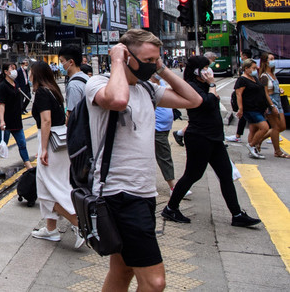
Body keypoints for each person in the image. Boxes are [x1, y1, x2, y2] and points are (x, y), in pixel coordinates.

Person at [85, 29, 202, 292]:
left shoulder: (149, 89)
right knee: (155, 282)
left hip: (144, 192)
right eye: (147, 60)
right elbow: (117, 100)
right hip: (120, 194)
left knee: (122, 269)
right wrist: (116, 60)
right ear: (127, 57)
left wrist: (161, 69)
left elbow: (193, 100)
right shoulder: (98, 84)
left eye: (155, 60)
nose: (152, 65)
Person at [162, 56, 261, 228]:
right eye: (205, 68)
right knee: (193, 174)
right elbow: (207, 103)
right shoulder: (191, 86)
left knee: (226, 174)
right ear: (196, 71)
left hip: (214, 137)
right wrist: (213, 85)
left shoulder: (205, 85)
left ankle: (237, 214)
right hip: (199, 137)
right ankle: (170, 208)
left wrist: (210, 85)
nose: (209, 71)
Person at [30, 61, 84, 248]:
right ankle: (51, 229)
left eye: (30, 72)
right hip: (60, 141)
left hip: (51, 143)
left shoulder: (42, 93)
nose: (28, 75)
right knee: (48, 186)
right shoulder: (54, 90)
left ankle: (79, 224)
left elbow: (46, 121)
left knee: (49, 190)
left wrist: (43, 149)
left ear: (37, 74)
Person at [0, 63, 32, 177]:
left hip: (16, 119)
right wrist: (2, 121)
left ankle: (28, 166)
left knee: (22, 143)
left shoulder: (15, 84)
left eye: (14, 68)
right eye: (11, 69)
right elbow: (1, 105)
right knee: (2, 143)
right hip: (6, 120)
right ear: (5, 72)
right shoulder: (3, 86)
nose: (14, 71)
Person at [234, 59, 271, 159]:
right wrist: (240, 109)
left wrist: (265, 105)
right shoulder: (242, 80)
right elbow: (239, 94)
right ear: (246, 68)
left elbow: (261, 92)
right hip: (250, 108)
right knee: (265, 127)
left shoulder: (254, 78)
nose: (256, 70)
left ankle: (252, 150)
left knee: (253, 129)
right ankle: (251, 145)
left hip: (258, 107)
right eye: (253, 68)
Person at [259, 53, 288, 158]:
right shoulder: (264, 76)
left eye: (273, 59)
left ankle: (259, 140)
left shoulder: (273, 73)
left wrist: (279, 90)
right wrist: (271, 106)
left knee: (282, 126)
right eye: (271, 59)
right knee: (275, 127)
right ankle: (277, 151)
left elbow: (273, 88)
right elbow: (265, 93)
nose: (273, 61)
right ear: (265, 61)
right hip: (271, 102)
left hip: (278, 101)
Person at [59, 45, 88, 112]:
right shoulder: (85, 77)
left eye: (61, 61)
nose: (61, 65)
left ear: (71, 62)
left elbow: (73, 114)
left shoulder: (73, 85)